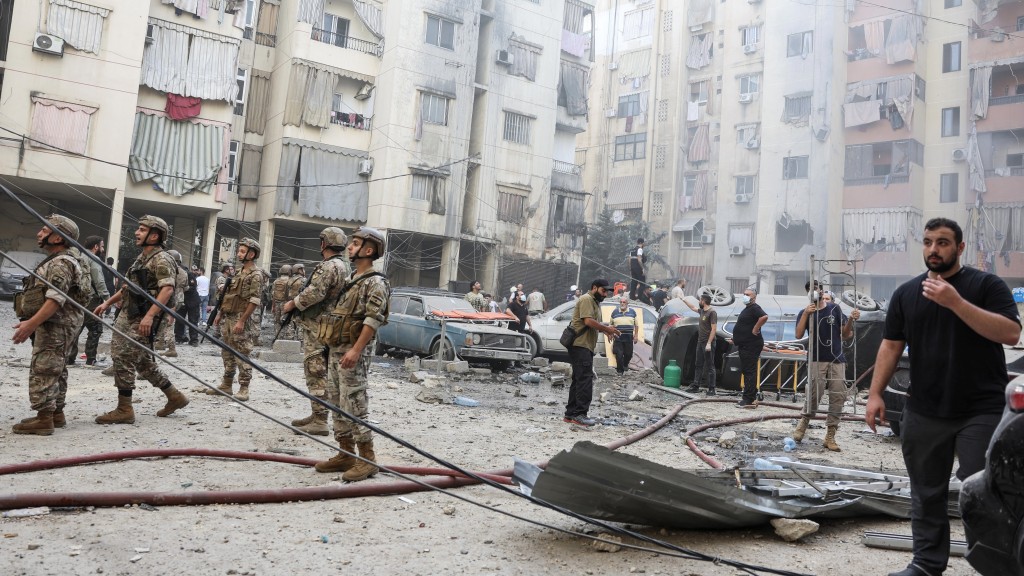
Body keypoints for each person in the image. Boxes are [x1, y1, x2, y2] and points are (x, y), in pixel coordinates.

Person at [865, 218, 1021, 576]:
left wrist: (956, 303)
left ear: (960, 247)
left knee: (985, 491)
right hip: (924, 409)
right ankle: (925, 564)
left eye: (943, 242)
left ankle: (999, 566)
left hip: (979, 409)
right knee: (926, 492)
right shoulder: (907, 293)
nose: (934, 249)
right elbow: (891, 345)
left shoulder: (986, 285)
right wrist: (874, 393)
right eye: (928, 242)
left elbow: (1011, 333)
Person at [92, 215, 189, 424]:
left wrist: (149, 316)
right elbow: (128, 286)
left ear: (155, 235)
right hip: (131, 313)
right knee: (143, 361)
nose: (137, 233)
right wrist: (108, 303)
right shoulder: (142, 257)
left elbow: (167, 289)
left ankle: (124, 409)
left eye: (142, 230)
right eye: (138, 229)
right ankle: (174, 396)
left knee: (123, 355)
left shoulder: (161, 258)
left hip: (144, 316)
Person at [314, 227, 390, 482]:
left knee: (355, 404)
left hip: (352, 352)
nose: (349, 246)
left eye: (355, 243)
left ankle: (367, 460)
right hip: (337, 349)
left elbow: (373, 318)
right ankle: (345, 453)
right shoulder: (351, 279)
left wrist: (356, 350)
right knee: (336, 402)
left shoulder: (375, 282)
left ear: (368, 250)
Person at [11, 215, 86, 435]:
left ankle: (44, 419)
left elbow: (56, 298)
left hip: (56, 323)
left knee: (44, 367)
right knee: (57, 367)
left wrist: (30, 325)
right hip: (59, 323)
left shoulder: (62, 262)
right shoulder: (60, 259)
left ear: (58, 237)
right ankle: (55, 414)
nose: (39, 234)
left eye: (45, 230)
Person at [282, 228, 350, 436]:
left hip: (318, 325)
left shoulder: (329, 266)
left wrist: (292, 304)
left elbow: (315, 293)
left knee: (315, 368)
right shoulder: (344, 266)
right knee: (321, 368)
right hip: (330, 324)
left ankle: (320, 419)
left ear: (324, 244)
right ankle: (317, 413)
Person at [792, 282, 860, 451]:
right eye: (810, 290)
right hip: (816, 359)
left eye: (816, 288)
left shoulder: (834, 309)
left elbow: (845, 335)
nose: (814, 291)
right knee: (814, 394)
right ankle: (803, 423)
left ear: (821, 291)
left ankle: (830, 435)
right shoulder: (805, 312)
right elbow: (798, 334)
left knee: (838, 395)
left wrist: (851, 319)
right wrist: (806, 314)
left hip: (837, 358)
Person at [209, 238, 266, 401]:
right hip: (229, 317)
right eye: (239, 251)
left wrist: (242, 321)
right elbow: (228, 296)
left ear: (252, 254)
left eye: (242, 251)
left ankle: (244, 388)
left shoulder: (256, 274)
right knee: (226, 351)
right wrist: (220, 314)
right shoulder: (239, 273)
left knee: (242, 353)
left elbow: (254, 300)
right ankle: (226, 384)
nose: (239, 254)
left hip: (241, 317)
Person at [564, 279, 620, 427]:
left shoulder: (595, 302)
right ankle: (580, 414)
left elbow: (594, 324)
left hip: (585, 345)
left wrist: (606, 329)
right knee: (585, 380)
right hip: (580, 345)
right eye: (603, 291)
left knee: (578, 379)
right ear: (594, 288)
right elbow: (588, 321)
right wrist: (607, 329)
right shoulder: (586, 299)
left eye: (607, 292)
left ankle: (570, 414)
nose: (605, 294)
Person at [66, 235, 109, 366]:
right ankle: (91, 359)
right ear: (95, 247)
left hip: (77, 298)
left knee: (76, 327)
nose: (102, 249)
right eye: (101, 246)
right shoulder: (94, 259)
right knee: (95, 328)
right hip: (92, 300)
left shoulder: (78, 256)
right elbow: (99, 281)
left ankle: (70, 358)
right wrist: (107, 298)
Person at [732, 288, 768, 408]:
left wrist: (756, 328)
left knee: (749, 371)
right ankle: (749, 396)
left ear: (754, 297)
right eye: (744, 294)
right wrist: (736, 339)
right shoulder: (747, 309)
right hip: (745, 344)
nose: (745, 296)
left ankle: (749, 399)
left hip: (751, 345)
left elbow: (764, 317)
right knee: (747, 371)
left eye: (747, 295)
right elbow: (744, 326)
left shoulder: (755, 308)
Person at [684, 293, 718, 396]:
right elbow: (693, 307)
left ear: (703, 301)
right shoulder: (702, 311)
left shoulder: (712, 312)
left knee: (710, 365)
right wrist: (684, 300)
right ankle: (696, 385)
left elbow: (714, 329)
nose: (699, 302)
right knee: (698, 364)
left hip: (708, 343)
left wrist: (709, 343)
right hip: (700, 342)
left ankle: (712, 388)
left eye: (700, 300)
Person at [158, 250, 188, 358]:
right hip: (180, 298)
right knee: (165, 320)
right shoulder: (184, 272)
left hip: (170, 298)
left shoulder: (171, 270)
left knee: (168, 322)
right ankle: (160, 343)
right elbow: (186, 287)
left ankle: (171, 348)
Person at [173, 253, 200, 347]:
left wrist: (182, 288)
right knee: (179, 320)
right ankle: (179, 338)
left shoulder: (187, 273)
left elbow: (193, 286)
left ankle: (194, 340)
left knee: (193, 321)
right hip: (181, 300)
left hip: (192, 301)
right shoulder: (173, 272)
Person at [610, 296, 639, 375]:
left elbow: (636, 325)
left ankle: (625, 365)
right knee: (619, 355)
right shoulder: (615, 312)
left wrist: (636, 335)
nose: (622, 304)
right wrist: (611, 334)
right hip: (618, 337)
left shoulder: (632, 312)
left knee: (628, 354)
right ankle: (620, 371)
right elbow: (611, 325)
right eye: (621, 302)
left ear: (627, 303)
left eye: (624, 302)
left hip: (629, 337)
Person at [286, 263, 307, 341]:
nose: (304, 271)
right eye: (302, 269)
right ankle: (300, 343)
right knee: (301, 324)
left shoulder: (290, 280)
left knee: (291, 323)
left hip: (290, 303)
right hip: (299, 304)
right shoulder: (304, 280)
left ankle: (289, 341)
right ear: (299, 270)